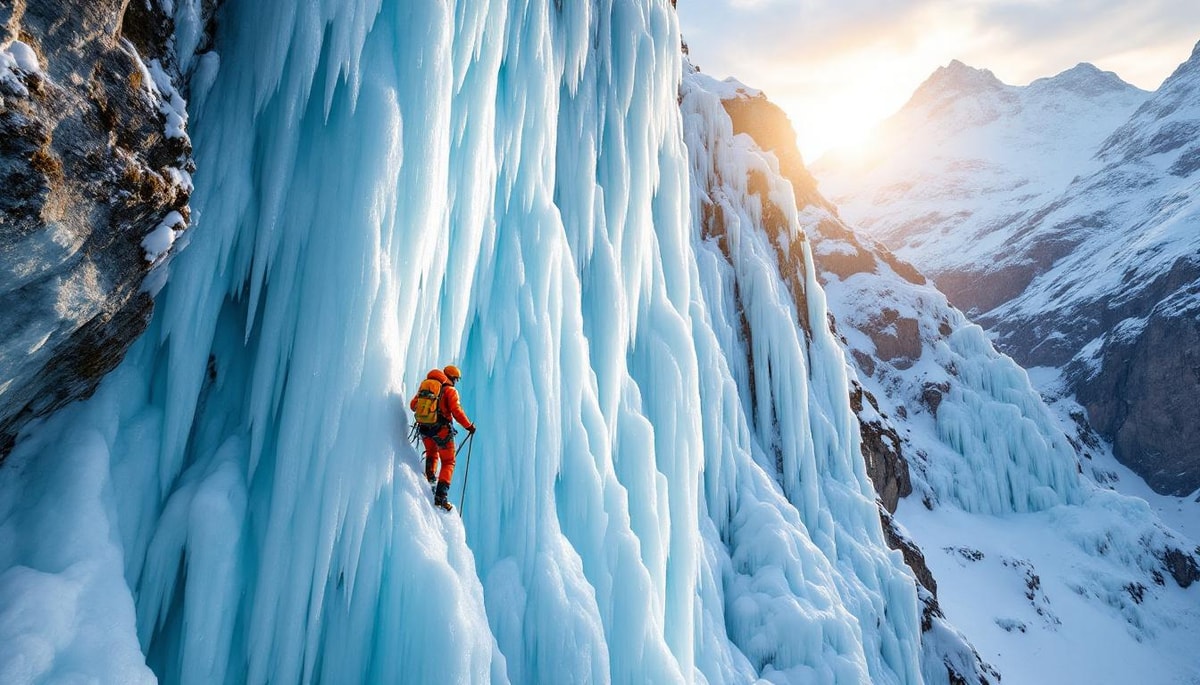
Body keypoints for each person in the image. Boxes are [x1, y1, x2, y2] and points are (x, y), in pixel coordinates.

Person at [410, 364, 476, 510]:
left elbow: (413, 405)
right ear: (452, 378)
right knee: (448, 462)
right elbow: (456, 411)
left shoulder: (426, 386)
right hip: (442, 432)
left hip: (424, 430)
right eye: (456, 379)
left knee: (432, 454)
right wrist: (469, 426)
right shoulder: (450, 391)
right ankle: (441, 497)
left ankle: (430, 481)